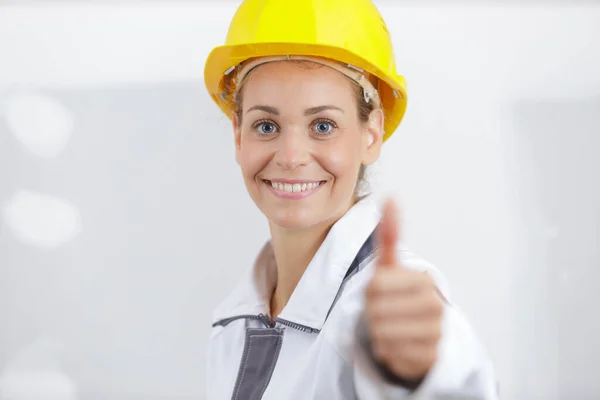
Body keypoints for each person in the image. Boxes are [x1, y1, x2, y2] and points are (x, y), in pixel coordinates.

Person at [203, 0, 498, 398]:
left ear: (370, 134)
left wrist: (418, 372)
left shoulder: (382, 311)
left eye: (322, 125)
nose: (290, 157)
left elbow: (454, 379)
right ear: (238, 135)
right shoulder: (232, 322)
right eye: (266, 125)